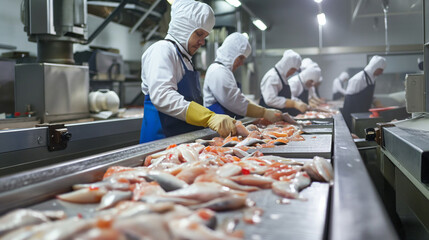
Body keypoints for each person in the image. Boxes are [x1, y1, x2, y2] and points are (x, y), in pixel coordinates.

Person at [139, 0, 236, 143]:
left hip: (183, 141)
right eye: (198, 34)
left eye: (205, 37)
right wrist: (209, 117)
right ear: (183, 28)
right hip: (160, 142)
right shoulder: (162, 50)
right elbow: (163, 96)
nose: (202, 42)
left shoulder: (186, 60)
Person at [203, 32, 283, 123]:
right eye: (240, 58)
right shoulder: (218, 71)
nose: (241, 63)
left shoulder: (225, 71)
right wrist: (264, 112)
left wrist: (262, 109)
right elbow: (235, 102)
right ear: (231, 52)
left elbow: (240, 98)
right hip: (218, 126)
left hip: (226, 123)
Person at [341, 55, 386, 128]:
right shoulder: (358, 79)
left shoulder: (372, 79)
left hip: (363, 113)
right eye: (381, 70)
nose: (381, 73)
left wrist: (376, 101)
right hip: (353, 115)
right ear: (375, 67)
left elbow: (367, 95)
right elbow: (349, 99)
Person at [259, 50, 308, 115]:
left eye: (295, 71)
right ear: (286, 65)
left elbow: (286, 97)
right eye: (292, 69)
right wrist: (293, 104)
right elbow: (270, 100)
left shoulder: (283, 78)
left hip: (279, 116)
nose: (293, 73)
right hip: (269, 117)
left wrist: (297, 102)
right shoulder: (272, 77)